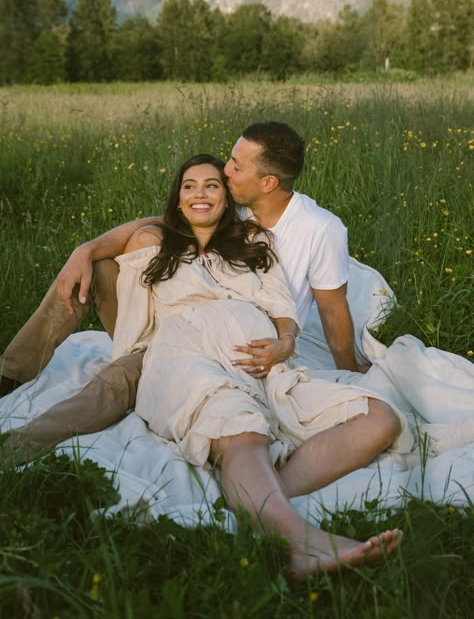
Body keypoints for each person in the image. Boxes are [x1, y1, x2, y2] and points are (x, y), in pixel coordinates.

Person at [106, 152, 406, 576]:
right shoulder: (151, 245)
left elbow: (282, 308)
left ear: (227, 199)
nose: (200, 193)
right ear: (177, 199)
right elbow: (134, 325)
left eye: (212, 184)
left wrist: (285, 343)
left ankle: (252, 495)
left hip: (262, 364)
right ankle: (302, 542)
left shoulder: (253, 242)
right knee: (242, 431)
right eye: (189, 185)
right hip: (188, 357)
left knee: (380, 418)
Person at [1, 123, 362, 451]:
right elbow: (158, 221)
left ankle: (19, 444)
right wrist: (85, 250)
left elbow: (330, 309)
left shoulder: (316, 228)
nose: (227, 170)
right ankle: (10, 374)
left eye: (236, 165)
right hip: (164, 323)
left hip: (226, 339)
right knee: (92, 270)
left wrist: (346, 373)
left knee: (118, 380)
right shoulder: (232, 206)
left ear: (267, 182)